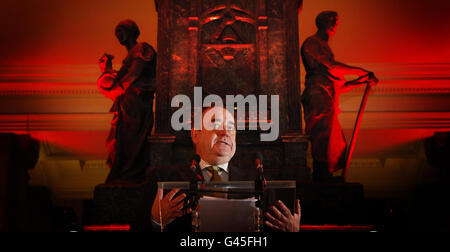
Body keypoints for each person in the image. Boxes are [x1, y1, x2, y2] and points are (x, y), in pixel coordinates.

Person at [134, 106, 301, 232]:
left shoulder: (260, 184)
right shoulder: (164, 181)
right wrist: (155, 221)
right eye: (215, 124)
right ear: (195, 135)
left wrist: (292, 231)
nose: (225, 132)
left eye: (230, 127)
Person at [301, 11, 378, 182]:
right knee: (323, 135)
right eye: (331, 20)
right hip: (317, 95)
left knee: (335, 141)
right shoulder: (312, 43)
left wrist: (361, 81)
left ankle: (325, 173)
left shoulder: (324, 46)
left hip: (327, 94)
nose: (335, 23)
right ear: (321, 22)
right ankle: (322, 174)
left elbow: (337, 87)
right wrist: (361, 71)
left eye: (336, 21)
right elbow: (331, 66)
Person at [97, 19, 156, 184]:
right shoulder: (128, 57)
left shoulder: (141, 48)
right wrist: (106, 69)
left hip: (136, 103)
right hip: (126, 102)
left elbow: (134, 74)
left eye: (121, 30)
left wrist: (119, 87)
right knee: (116, 140)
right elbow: (114, 85)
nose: (119, 35)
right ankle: (123, 171)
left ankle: (131, 172)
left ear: (132, 31)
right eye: (117, 32)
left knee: (132, 138)